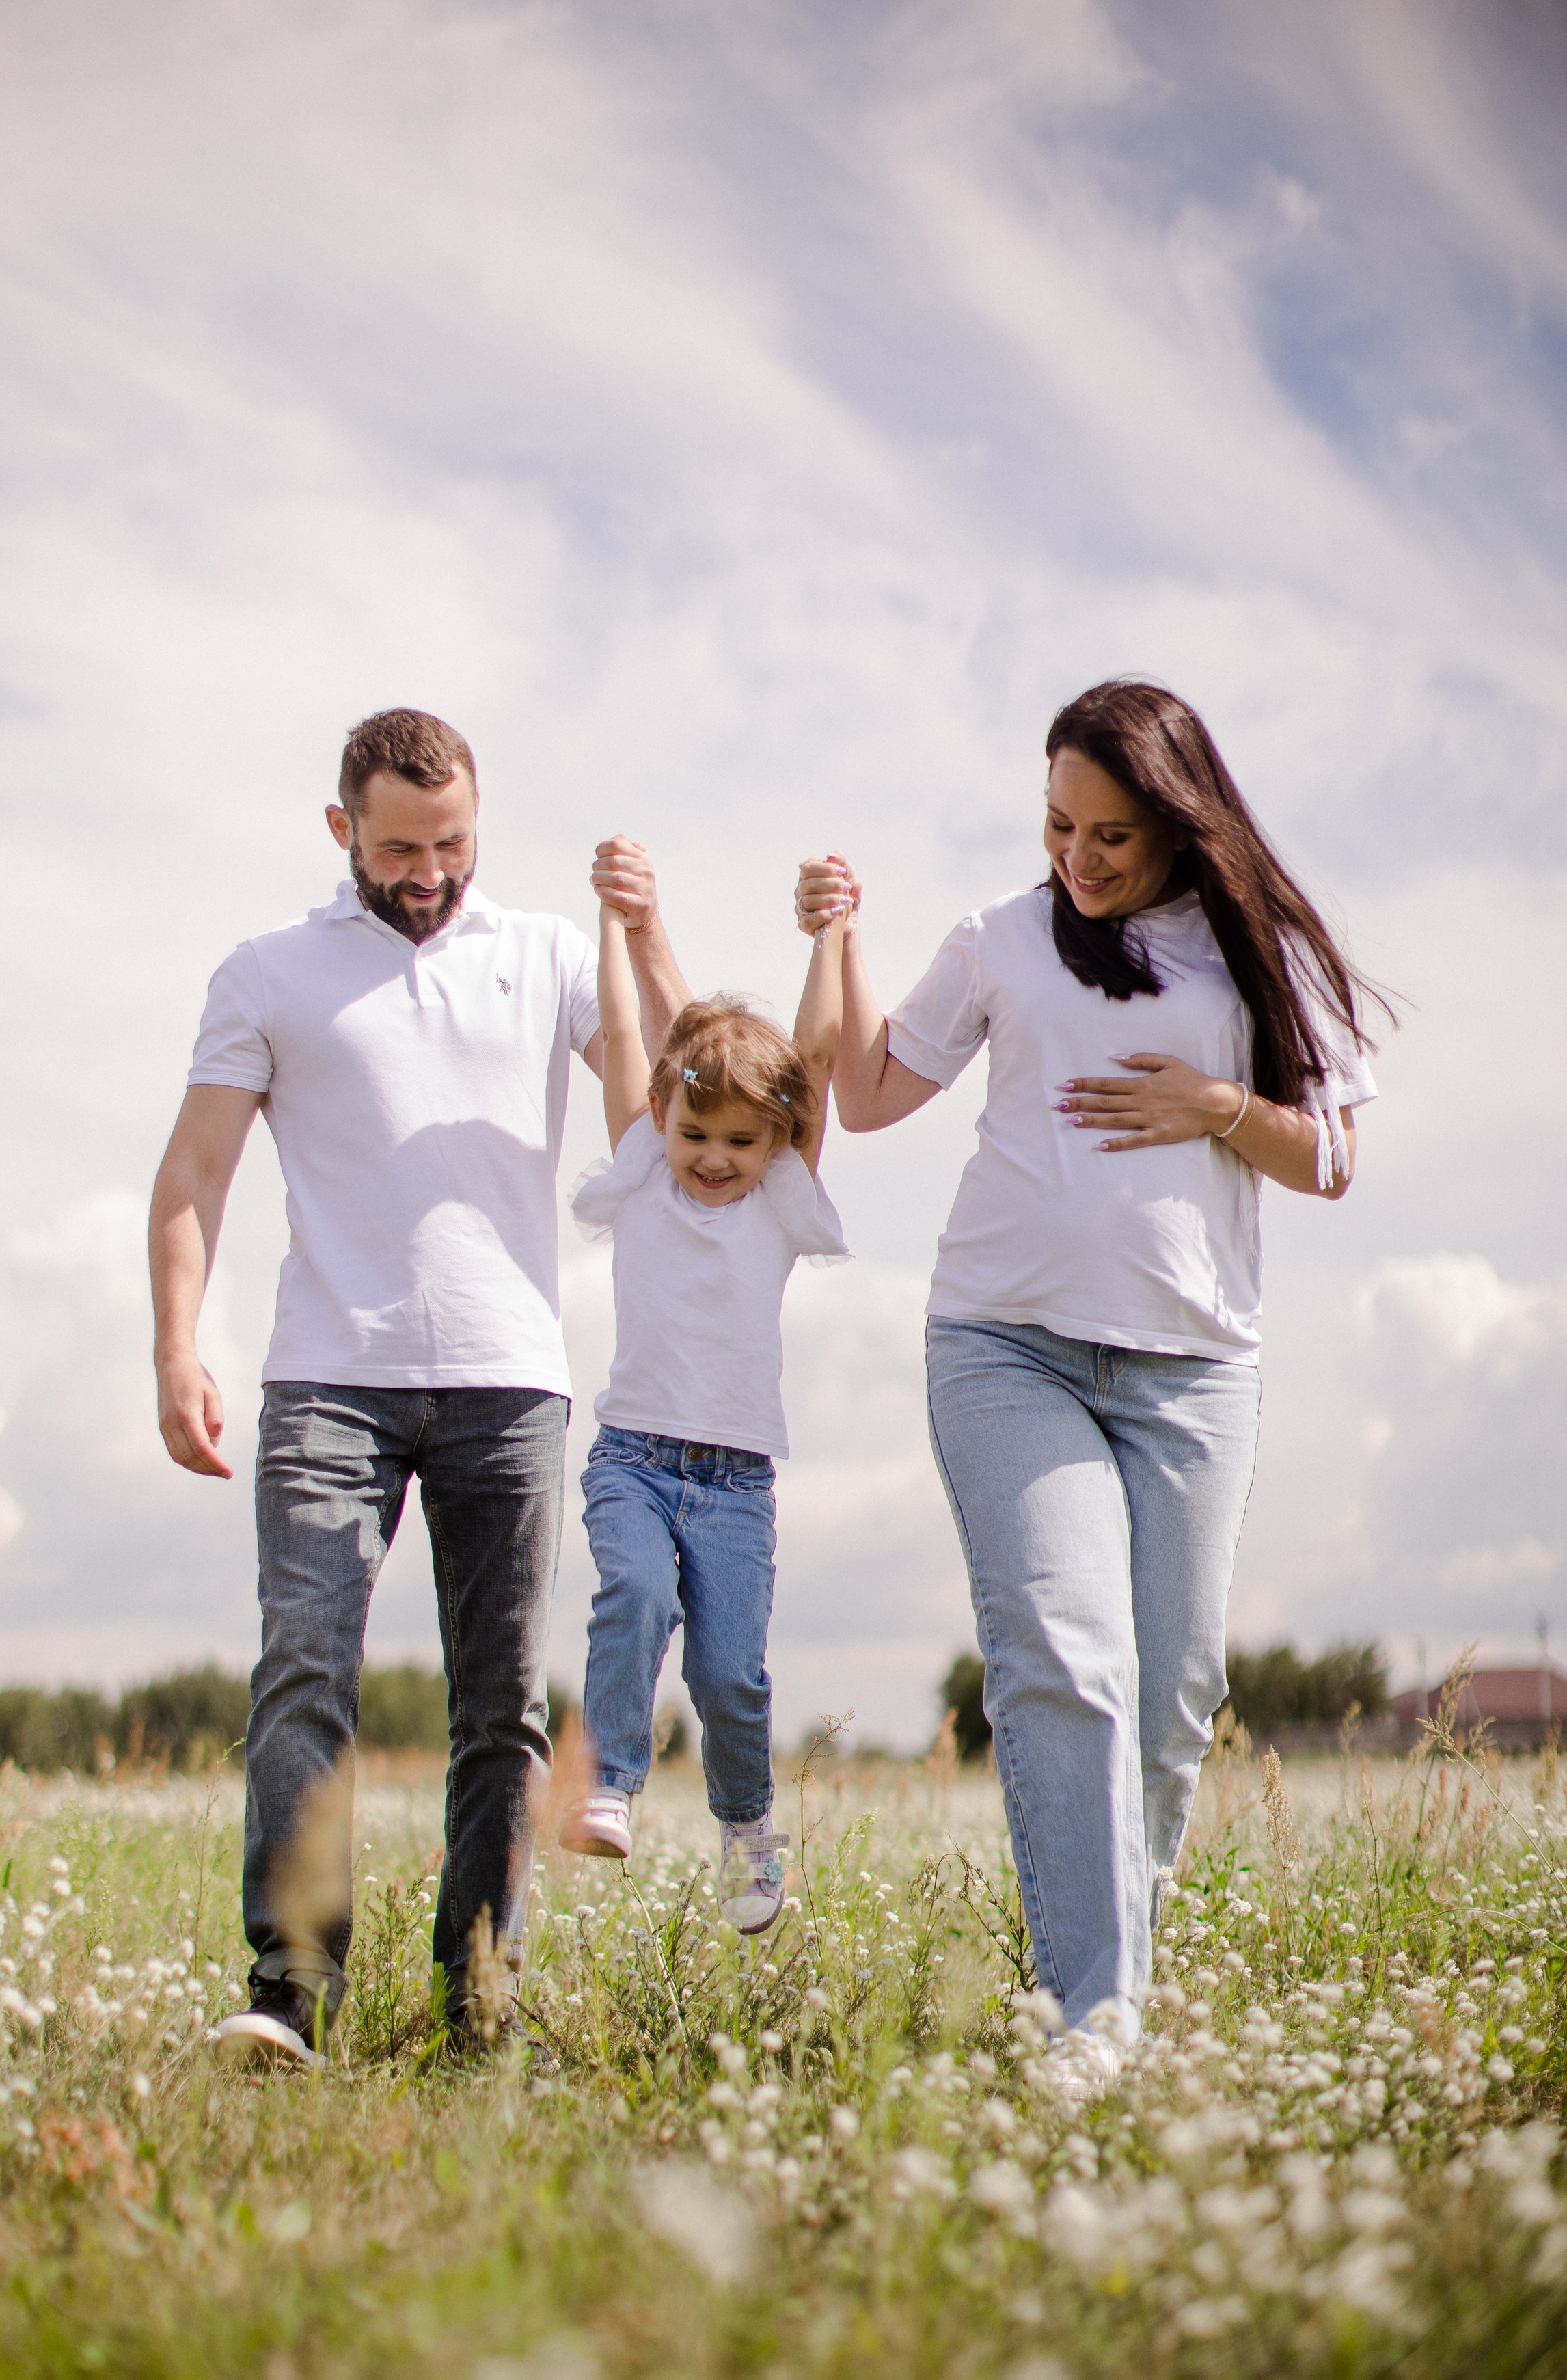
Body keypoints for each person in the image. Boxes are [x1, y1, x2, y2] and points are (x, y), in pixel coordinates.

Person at [800, 679, 1384, 2098]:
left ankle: (1103, 1947)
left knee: (1174, 1695)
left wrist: (1214, 1109)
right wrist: (833, 938)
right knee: (1068, 1659)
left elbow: (1333, 1160)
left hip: (1191, 1370)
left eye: (1111, 835)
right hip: (1005, 1345)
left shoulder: (1258, 956)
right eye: (1058, 826)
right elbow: (867, 1095)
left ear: (1182, 823)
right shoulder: (1000, 938)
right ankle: (1092, 2020)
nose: (1078, 858)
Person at [148, 707, 689, 2064]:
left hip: (507, 1384)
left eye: (452, 841)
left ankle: (476, 1997)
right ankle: (289, 1991)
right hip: (328, 1378)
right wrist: (174, 1344)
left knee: (497, 1707)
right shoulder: (268, 974)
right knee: (302, 1675)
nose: (430, 870)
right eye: (399, 847)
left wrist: (639, 930)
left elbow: (680, 1102)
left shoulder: (548, 957)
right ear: (342, 831)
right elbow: (193, 1173)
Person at [556, 891, 851, 1933]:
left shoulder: (778, 1195)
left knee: (730, 1675)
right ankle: (610, 1782)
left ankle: (744, 1830)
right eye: (695, 1133)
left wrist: (829, 935)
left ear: (776, 1141)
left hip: (735, 1483)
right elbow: (632, 1032)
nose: (714, 1156)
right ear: (661, 1118)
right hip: (632, 1457)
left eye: (739, 1137)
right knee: (631, 1594)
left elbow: (814, 1055)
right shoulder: (642, 1180)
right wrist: (612, 924)